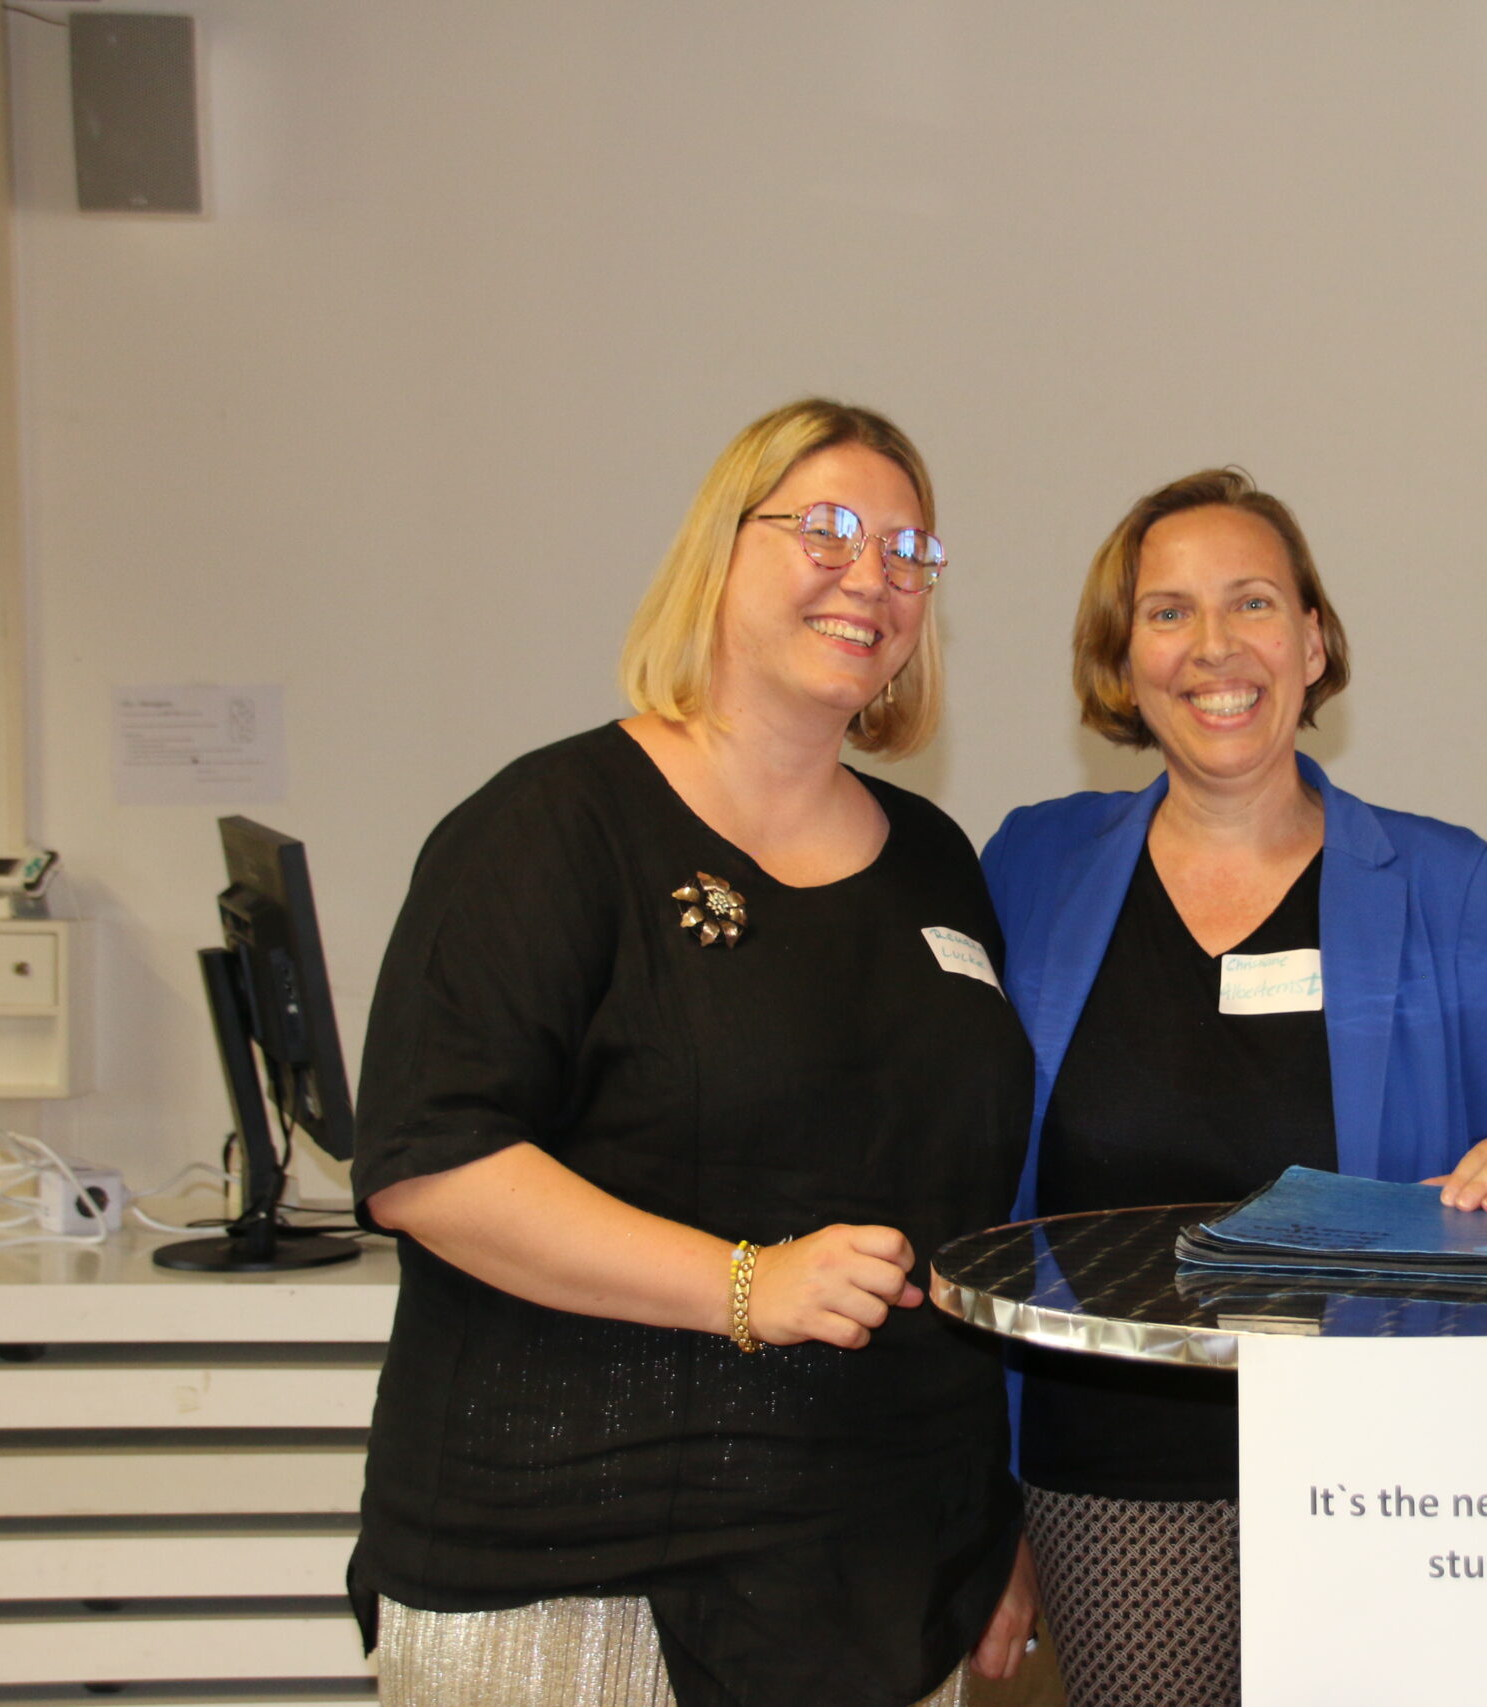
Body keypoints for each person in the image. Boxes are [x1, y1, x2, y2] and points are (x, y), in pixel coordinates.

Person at [346, 400, 1037, 1707]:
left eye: (910, 552)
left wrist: (988, 1513)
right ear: (721, 551)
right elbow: (432, 1161)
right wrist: (743, 1282)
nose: (872, 574)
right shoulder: (553, 830)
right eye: (826, 529)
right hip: (582, 1573)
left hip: (878, 1571)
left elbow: (963, 1199)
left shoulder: (938, 862)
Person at [981, 468, 1487, 1707]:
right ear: (1120, 663)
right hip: (1110, 1466)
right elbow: (971, 1176)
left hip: (1382, 1461)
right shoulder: (1031, 866)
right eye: (1166, 613)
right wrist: (980, 1503)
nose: (1213, 647)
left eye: (1254, 604)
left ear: (1314, 642)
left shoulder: (1449, 884)